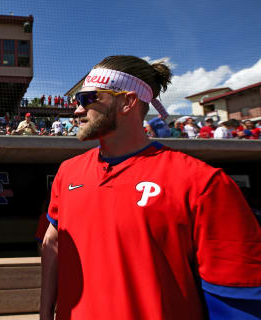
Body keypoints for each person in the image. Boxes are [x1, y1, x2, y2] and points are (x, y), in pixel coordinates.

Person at [40, 55, 261, 320]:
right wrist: (44, 313)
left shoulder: (203, 183)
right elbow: (52, 242)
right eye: (77, 101)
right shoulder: (68, 172)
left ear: (128, 102)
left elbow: (237, 302)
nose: (77, 110)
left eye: (88, 99)